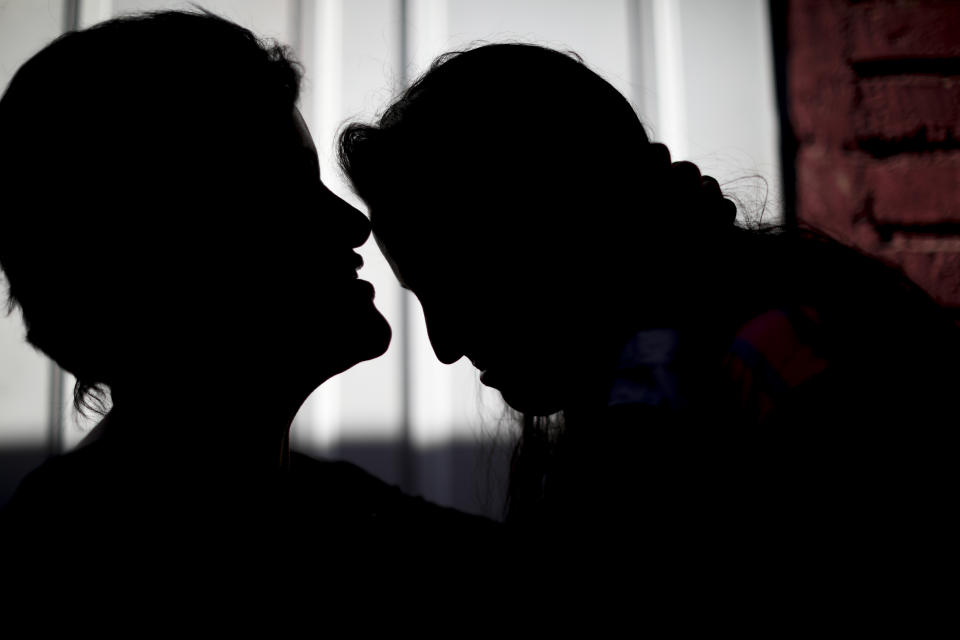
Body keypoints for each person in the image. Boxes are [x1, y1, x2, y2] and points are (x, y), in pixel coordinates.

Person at [338, 43, 959, 588]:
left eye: (457, 289)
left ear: (553, 238)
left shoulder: (781, 364)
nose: (443, 344)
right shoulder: (651, 381)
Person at [0, 11, 496, 574]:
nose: (352, 225)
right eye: (286, 193)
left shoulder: (336, 511)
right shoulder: (68, 550)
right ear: (165, 253)